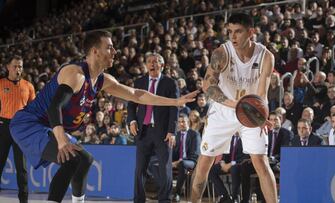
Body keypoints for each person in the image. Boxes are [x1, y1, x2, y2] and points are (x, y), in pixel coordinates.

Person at [9, 31, 197, 203]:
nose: (115, 51)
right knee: (71, 158)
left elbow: (136, 94)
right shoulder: (75, 74)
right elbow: (54, 107)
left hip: (49, 126)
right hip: (30, 123)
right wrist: (61, 141)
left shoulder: (103, 80)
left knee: (85, 160)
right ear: (94, 52)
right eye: (109, 47)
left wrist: (175, 102)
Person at [191, 13, 278, 203]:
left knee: (261, 163)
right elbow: (207, 86)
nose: (233, 36)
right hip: (223, 110)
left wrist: (262, 115)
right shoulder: (221, 53)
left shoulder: (266, 57)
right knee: (204, 161)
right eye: (230, 31)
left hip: (251, 111)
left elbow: (262, 92)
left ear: (251, 32)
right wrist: (235, 105)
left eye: (238, 32)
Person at [127, 52, 185, 203]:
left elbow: (174, 108)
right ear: (146, 65)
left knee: (165, 169)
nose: (152, 64)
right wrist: (132, 120)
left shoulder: (170, 83)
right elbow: (131, 104)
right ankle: (138, 200)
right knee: (139, 170)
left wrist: (172, 131)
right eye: (149, 61)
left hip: (163, 132)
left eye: (155, 61)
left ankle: (164, 200)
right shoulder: (139, 82)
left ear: (162, 65)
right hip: (143, 131)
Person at [0, 55, 35, 203]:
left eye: (20, 66)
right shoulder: (0, 84)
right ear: (8, 67)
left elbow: (34, 110)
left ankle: (24, 201)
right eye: (15, 66)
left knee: (22, 168)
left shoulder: (28, 86)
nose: (18, 69)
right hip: (4, 126)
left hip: (21, 129)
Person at [208, 133, 252, 203]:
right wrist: (223, 163)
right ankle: (224, 195)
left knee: (235, 169)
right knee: (211, 170)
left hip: (240, 164)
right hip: (228, 164)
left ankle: (234, 198)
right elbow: (225, 153)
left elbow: (246, 157)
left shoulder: (246, 138)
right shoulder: (230, 138)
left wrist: (231, 164)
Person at [172, 114, 201, 202]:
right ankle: (166, 192)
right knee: (158, 163)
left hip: (191, 161)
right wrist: (171, 161)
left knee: (182, 164)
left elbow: (195, 154)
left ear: (188, 122)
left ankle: (176, 193)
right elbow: (172, 153)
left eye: (183, 122)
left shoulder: (195, 134)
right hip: (178, 161)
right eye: (179, 122)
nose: (181, 124)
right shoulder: (175, 135)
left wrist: (179, 161)